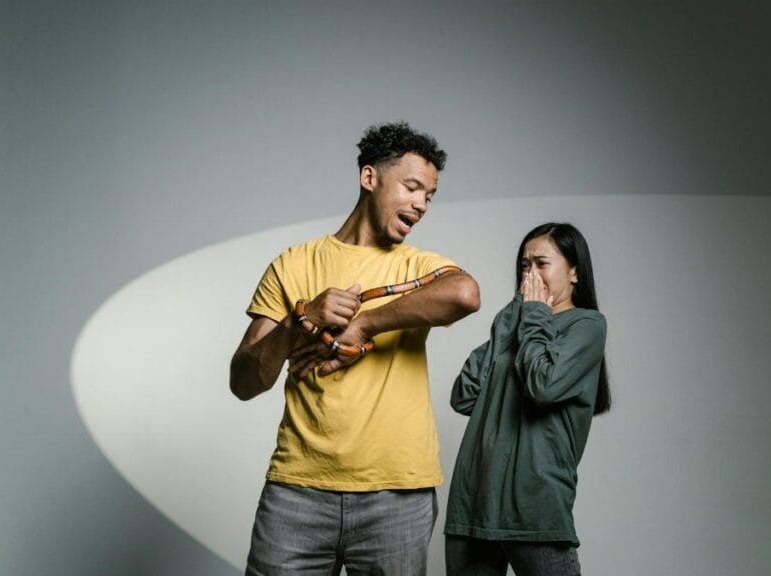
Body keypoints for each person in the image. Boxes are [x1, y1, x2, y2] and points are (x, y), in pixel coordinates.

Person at [230, 121, 481, 576]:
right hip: (297, 493)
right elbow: (243, 381)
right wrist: (301, 319)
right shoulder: (294, 264)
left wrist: (365, 325)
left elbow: (465, 294)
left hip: (397, 497)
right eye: (412, 187)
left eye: (430, 195)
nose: (422, 204)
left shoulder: (420, 265)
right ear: (370, 178)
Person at [444, 222, 611, 576]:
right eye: (524, 265)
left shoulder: (586, 325)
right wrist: (508, 323)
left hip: (535, 511)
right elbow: (463, 396)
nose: (529, 274)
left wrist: (533, 315)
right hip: (473, 508)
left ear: (575, 272)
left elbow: (543, 385)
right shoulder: (519, 324)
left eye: (541, 263)